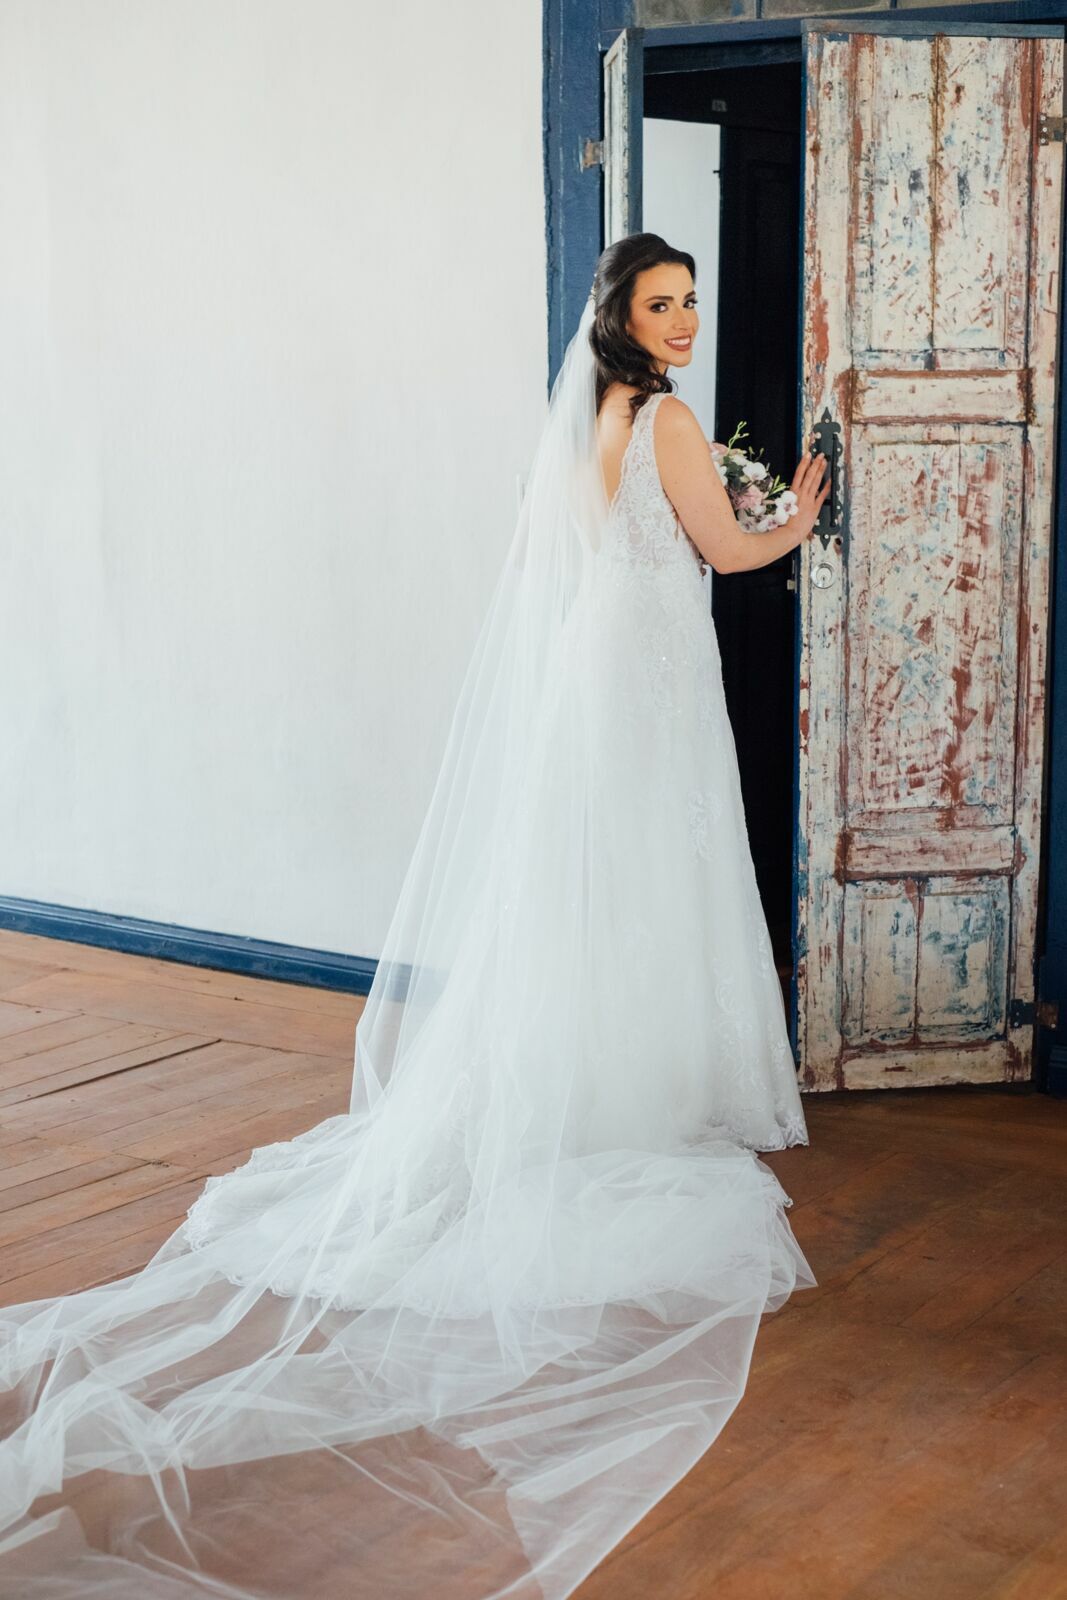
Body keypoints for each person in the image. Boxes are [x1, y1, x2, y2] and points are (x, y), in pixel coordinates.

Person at [0, 233, 829, 1600]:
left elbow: (588, 563)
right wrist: (794, 508)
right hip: (650, 685)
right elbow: (730, 558)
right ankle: (636, 1093)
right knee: (648, 878)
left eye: (690, 302)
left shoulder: (588, 421)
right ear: (620, 317)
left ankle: (582, 1078)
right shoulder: (670, 418)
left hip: (594, 680)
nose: (685, 321)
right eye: (662, 303)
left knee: (590, 886)